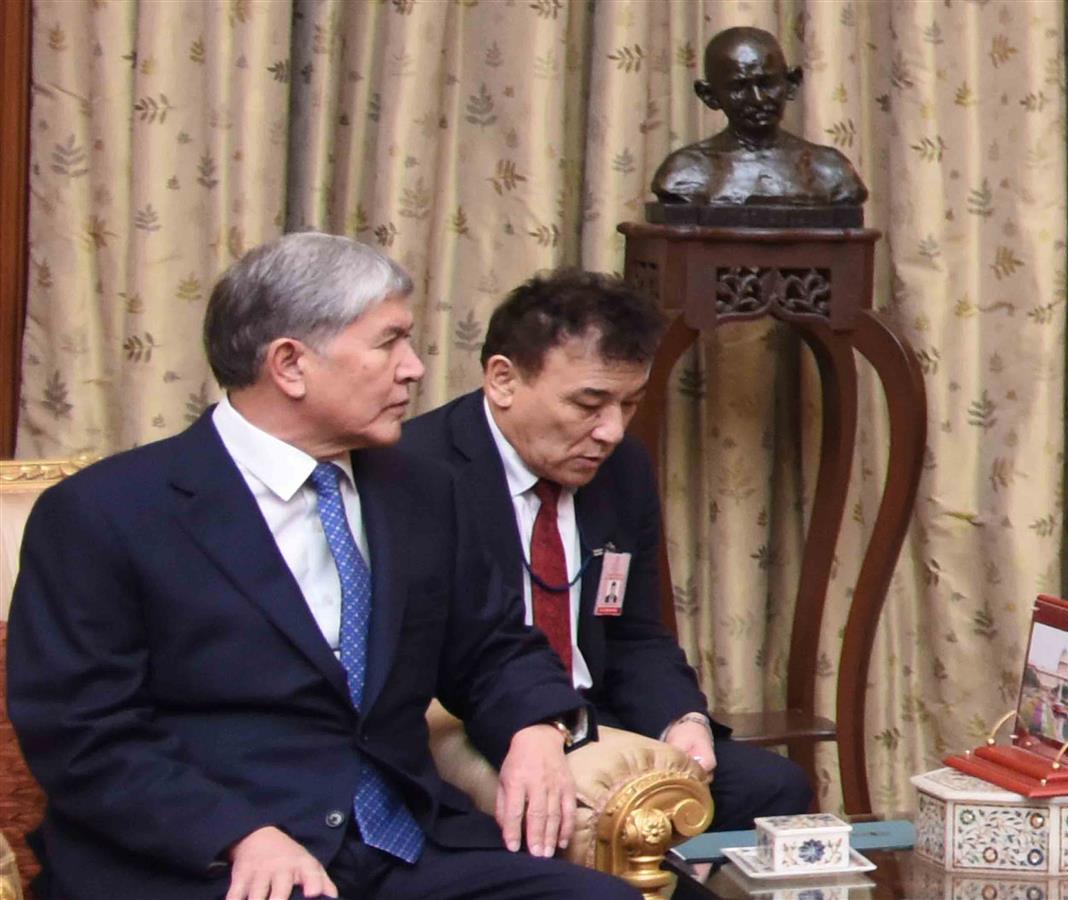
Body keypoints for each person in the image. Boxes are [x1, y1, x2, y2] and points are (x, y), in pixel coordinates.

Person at [4, 233, 663, 899]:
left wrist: (532, 728)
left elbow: (491, 647)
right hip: (209, 859)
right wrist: (238, 834)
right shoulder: (107, 512)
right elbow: (84, 735)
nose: (413, 368)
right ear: (290, 364)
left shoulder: (423, 490)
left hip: (400, 849)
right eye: (389, 342)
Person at [402, 269, 812, 832]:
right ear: (502, 380)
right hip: (477, 715)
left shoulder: (622, 470)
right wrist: (534, 723)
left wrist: (681, 719)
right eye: (589, 404)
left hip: (593, 712)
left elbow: (632, 633)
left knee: (773, 787)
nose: (612, 432)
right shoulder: (418, 470)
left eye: (629, 404)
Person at [651, 26, 868, 207]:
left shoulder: (831, 171)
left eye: (767, 84)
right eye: (738, 86)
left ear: (791, 84)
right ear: (709, 95)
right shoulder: (684, 173)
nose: (757, 99)